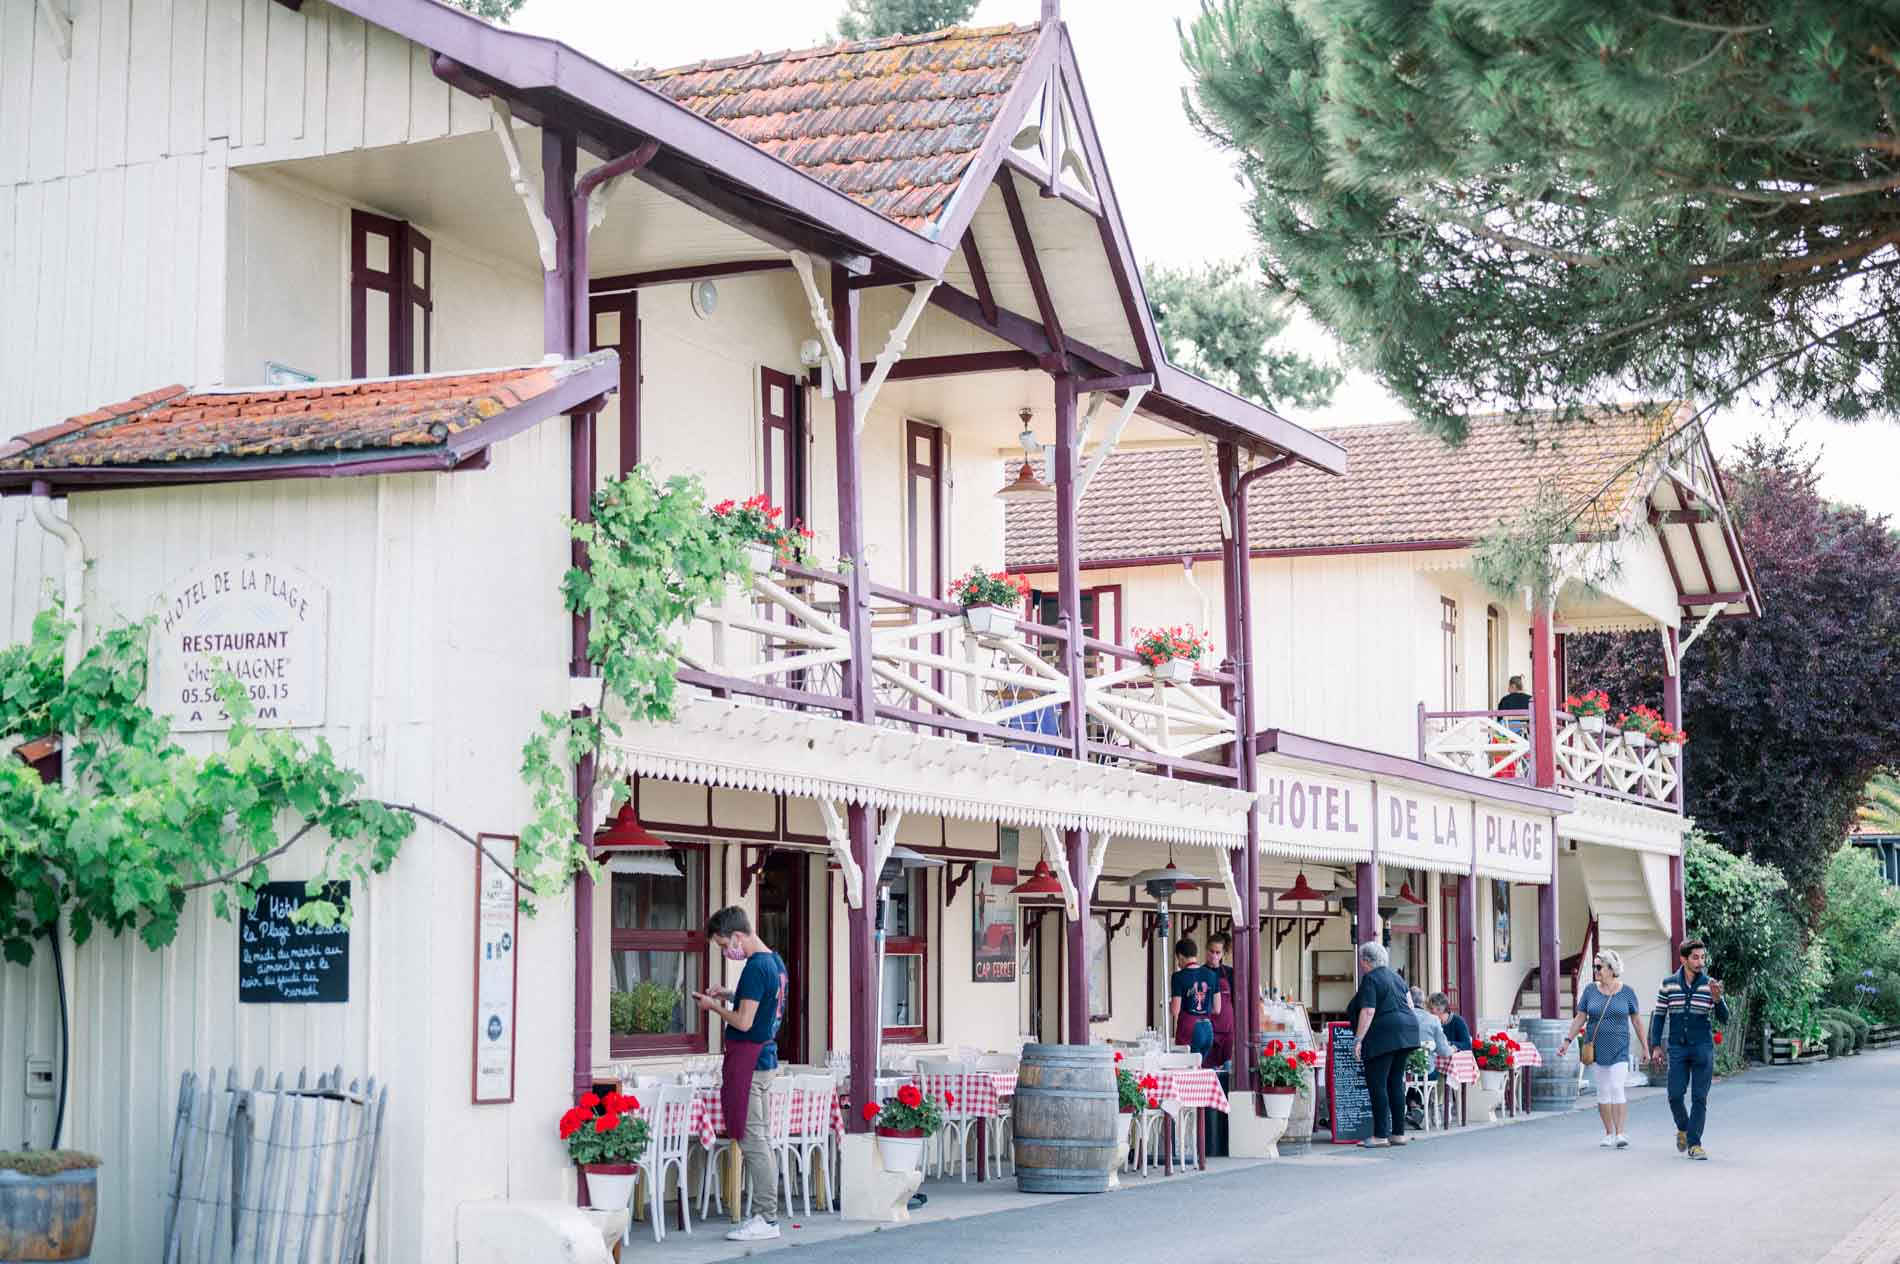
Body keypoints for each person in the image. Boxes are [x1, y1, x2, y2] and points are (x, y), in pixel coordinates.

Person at [694, 906, 788, 1242]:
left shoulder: (753, 967)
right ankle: (766, 1215)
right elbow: (760, 1001)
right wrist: (729, 995)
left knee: (754, 1142)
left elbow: (744, 1022)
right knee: (760, 1139)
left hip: (749, 1061)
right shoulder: (774, 962)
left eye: (723, 945)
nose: (725, 951)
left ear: (737, 935)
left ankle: (766, 1217)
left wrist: (713, 1007)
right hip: (765, 1058)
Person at [1558, 948, 1649, 1149]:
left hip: (1619, 1047)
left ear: (1611, 968)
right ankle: (1608, 1133)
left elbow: (1636, 1021)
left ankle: (1620, 1133)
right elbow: (1580, 1017)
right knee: (1603, 1090)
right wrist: (1567, 1041)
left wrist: (1645, 1047)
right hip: (1596, 1047)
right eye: (1595, 967)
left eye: (1599, 967)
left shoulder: (1627, 992)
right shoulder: (1590, 991)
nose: (1596, 970)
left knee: (1617, 1087)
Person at [1648, 939, 1729, 1160]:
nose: (1700, 962)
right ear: (1683, 959)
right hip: (1677, 1048)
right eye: (1695, 957)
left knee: (1699, 1097)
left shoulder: (1710, 984)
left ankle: (1695, 1144)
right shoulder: (1668, 984)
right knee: (1674, 1095)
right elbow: (1659, 1017)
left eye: (1703, 957)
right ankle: (1684, 1128)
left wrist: (1717, 999)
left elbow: (1725, 1019)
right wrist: (1655, 1046)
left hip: (1702, 1048)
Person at [1346, 942, 1419, 1148]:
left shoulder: (1370, 979)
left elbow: (1368, 1011)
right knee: (1395, 1082)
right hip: (1408, 1031)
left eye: (1362, 961)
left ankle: (1380, 1135)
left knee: (1377, 1084)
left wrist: (1358, 1039)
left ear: (1366, 961)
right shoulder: (1397, 977)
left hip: (1384, 1035)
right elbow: (1410, 1005)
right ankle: (1398, 1133)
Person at [1169, 938, 1223, 1058]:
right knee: (1199, 1067)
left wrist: (1169, 1004)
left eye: (1178, 959)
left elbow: (1175, 1011)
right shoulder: (1212, 975)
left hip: (1188, 1029)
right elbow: (1217, 1009)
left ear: (1180, 956)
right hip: (1207, 1029)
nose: (1178, 963)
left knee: (1186, 1068)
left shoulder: (1178, 976)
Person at [1205, 931, 1236, 1069]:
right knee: (1208, 1068)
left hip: (1228, 1030)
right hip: (1208, 1029)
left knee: (1228, 1068)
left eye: (1218, 952)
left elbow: (1236, 1000)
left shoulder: (1230, 973)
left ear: (1223, 954)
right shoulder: (1200, 972)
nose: (1214, 956)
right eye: (1211, 951)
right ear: (1206, 950)